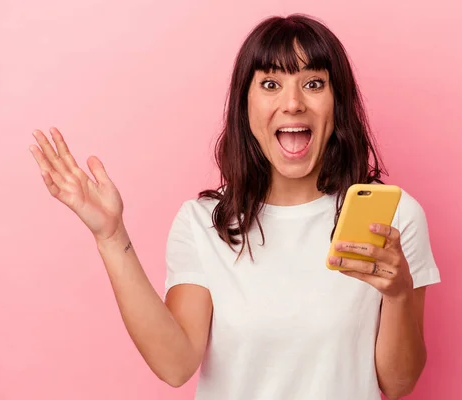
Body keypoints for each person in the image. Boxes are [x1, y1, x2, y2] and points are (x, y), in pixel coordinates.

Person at [29, 13, 441, 400]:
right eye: (270, 84)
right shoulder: (203, 224)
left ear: (339, 102)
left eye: (313, 84)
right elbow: (175, 365)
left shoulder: (395, 217)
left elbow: (399, 383)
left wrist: (401, 294)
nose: (294, 103)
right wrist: (110, 235)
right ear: (245, 107)